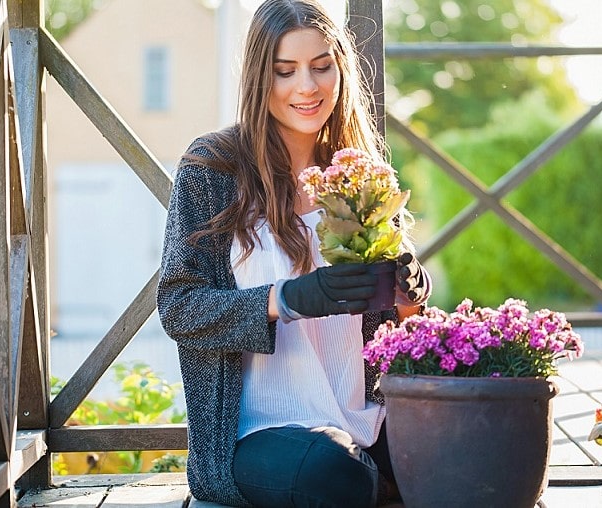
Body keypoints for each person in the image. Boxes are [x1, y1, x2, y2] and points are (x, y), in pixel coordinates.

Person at [156, 1, 431, 506]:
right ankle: (378, 480)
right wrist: (289, 298)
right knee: (331, 473)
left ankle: (378, 476)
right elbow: (178, 308)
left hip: (363, 416)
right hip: (258, 433)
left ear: (340, 72)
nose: (307, 86)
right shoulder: (213, 170)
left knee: (470, 449)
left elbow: (398, 333)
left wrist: (410, 295)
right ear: (260, 78)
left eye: (322, 66)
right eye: (285, 71)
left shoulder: (356, 175)